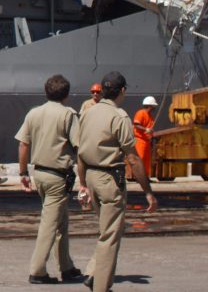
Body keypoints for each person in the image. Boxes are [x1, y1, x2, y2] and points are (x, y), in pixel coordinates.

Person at [77, 71, 157, 292]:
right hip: (110, 179)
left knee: (106, 231)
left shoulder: (87, 113)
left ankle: (94, 273)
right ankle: (101, 287)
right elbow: (132, 157)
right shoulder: (119, 116)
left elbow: (80, 153)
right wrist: (148, 191)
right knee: (111, 235)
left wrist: (82, 183)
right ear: (122, 91)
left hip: (91, 177)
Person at [15, 74, 83, 285]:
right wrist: (85, 179)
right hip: (58, 176)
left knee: (60, 222)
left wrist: (23, 173)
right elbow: (79, 147)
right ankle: (37, 270)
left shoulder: (34, 113)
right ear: (66, 94)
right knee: (49, 224)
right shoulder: (68, 114)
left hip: (40, 174)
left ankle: (66, 267)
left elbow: (23, 144)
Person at [133, 96, 158, 179]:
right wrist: (146, 129)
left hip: (147, 141)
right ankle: (139, 177)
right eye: (153, 106)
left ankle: (146, 178)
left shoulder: (149, 116)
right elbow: (136, 125)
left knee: (147, 160)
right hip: (140, 140)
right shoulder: (141, 113)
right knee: (140, 159)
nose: (154, 108)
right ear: (150, 106)